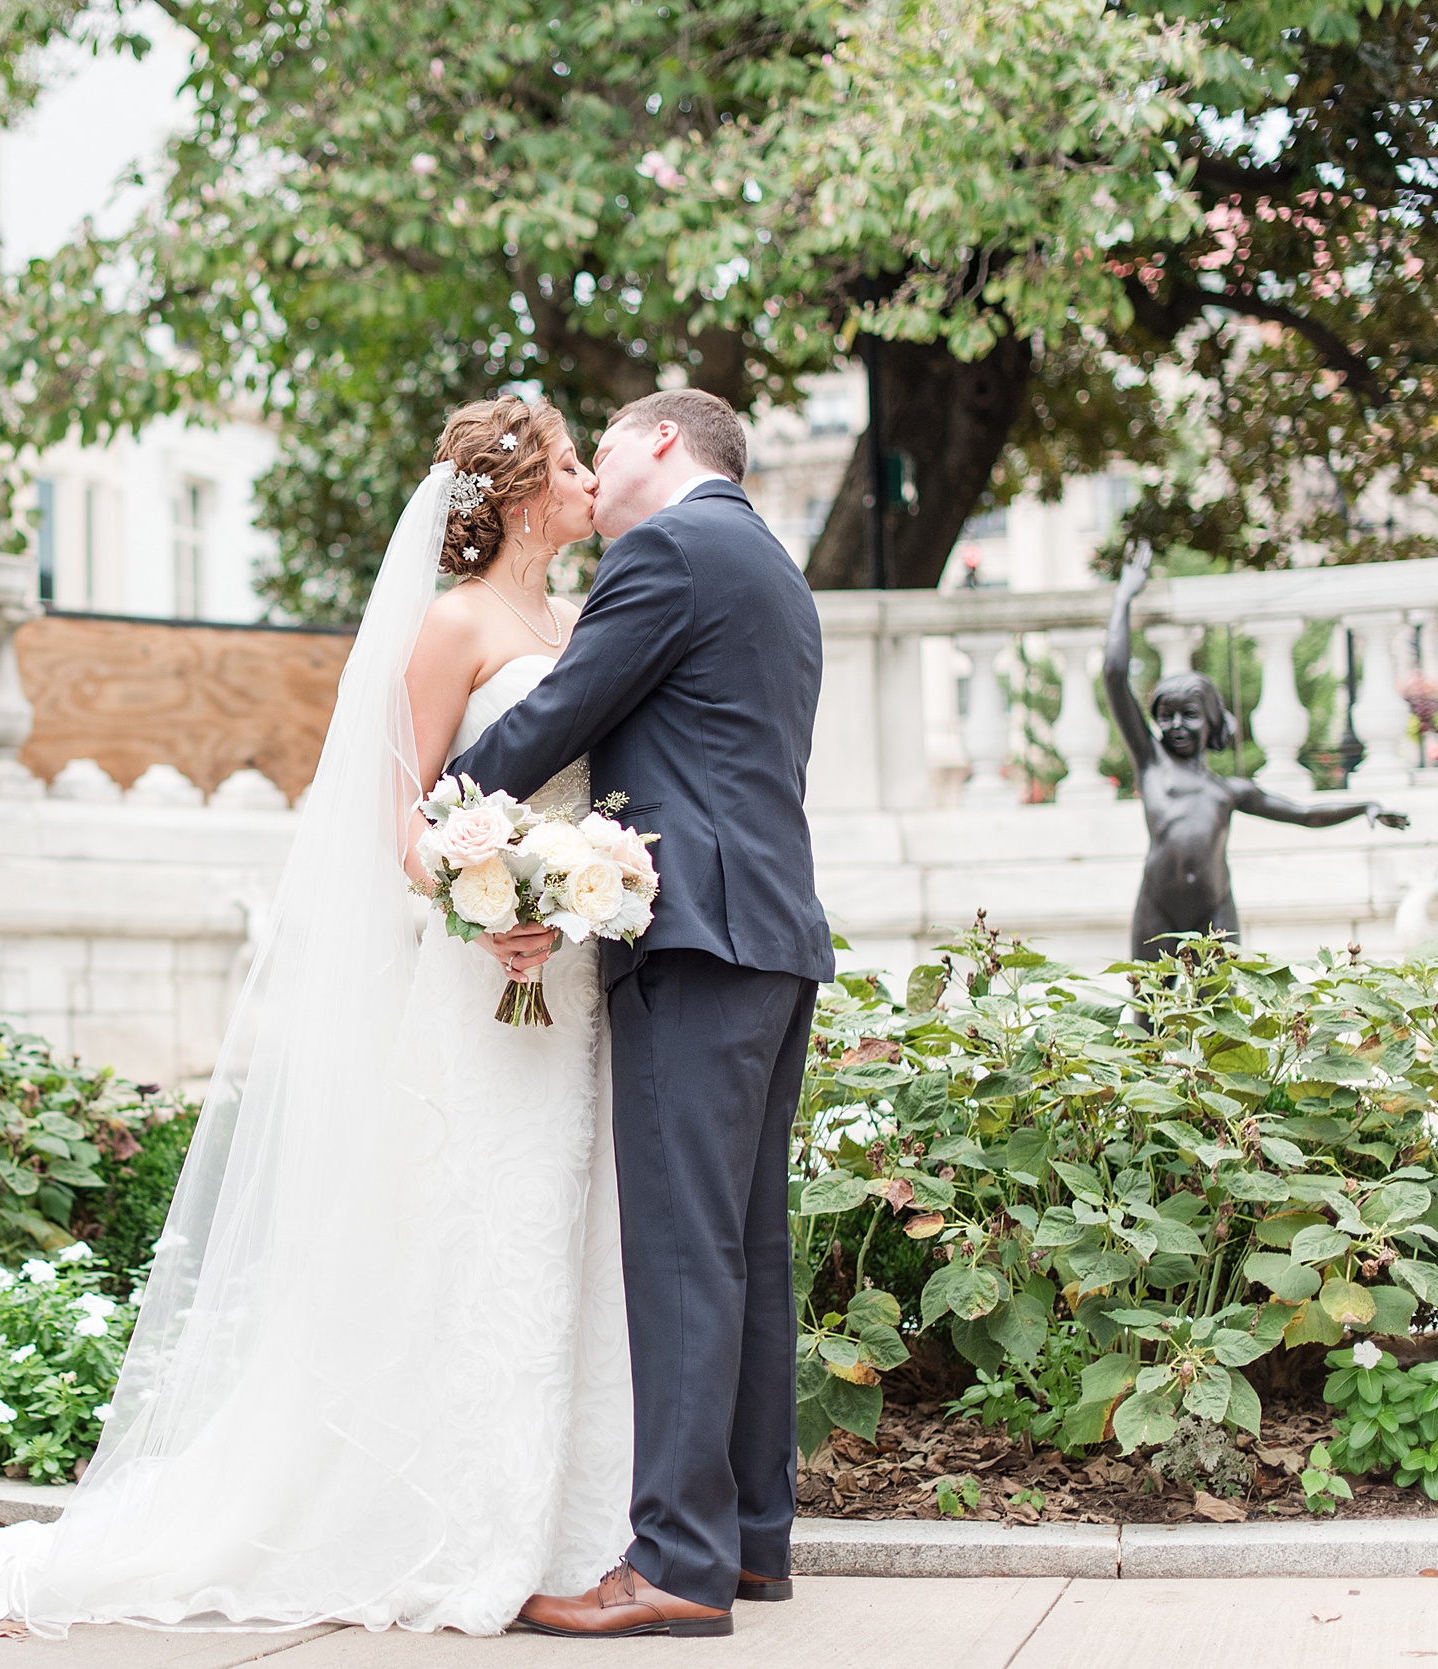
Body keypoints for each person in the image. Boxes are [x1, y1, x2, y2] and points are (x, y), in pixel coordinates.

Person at [0, 393, 636, 1634]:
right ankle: (480, 1536)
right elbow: (400, 816)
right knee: (478, 1230)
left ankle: (573, 1524)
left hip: (571, 982)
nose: (591, 483)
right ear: (523, 495)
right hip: (484, 977)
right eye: (573, 465)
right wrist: (486, 902)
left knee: (564, 1233)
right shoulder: (452, 624)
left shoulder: (582, 619)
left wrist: (579, 887)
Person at [451, 387, 832, 1638]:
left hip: (693, 938)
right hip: (773, 939)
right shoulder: (769, 563)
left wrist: (442, 815)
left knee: (680, 1248)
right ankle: (752, 1544)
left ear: (663, 440)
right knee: (744, 1250)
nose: (590, 469)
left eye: (600, 445)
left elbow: (560, 716)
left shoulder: (666, 548)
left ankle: (672, 1561)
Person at [1104, 548, 1406, 963]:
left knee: (1221, 1015)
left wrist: (1364, 805)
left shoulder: (1229, 791)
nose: (1175, 725)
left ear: (1211, 720)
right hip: (1157, 910)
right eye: (1166, 716)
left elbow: (1304, 814)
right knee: (1150, 1015)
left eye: (1189, 715)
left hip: (1215, 912)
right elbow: (1115, 675)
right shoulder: (1151, 763)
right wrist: (1124, 598)